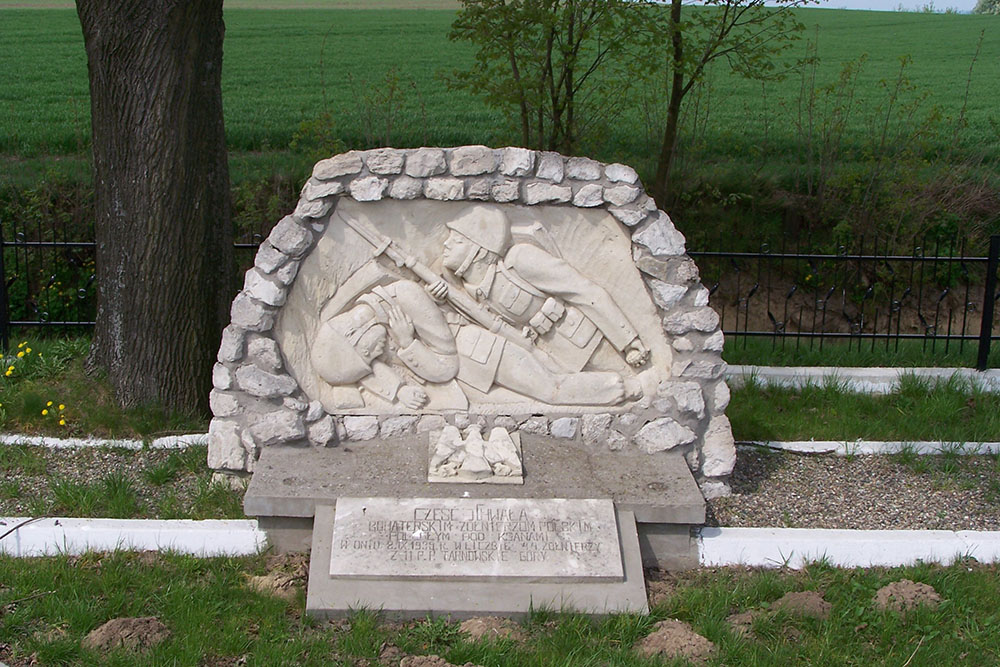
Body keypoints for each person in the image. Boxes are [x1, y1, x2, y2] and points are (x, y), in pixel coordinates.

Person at [426, 205, 649, 406]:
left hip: (585, 343)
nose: (446, 243)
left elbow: (585, 291)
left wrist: (628, 341)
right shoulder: (470, 290)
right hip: (547, 358)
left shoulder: (519, 260)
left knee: (638, 386)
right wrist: (440, 301)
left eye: (457, 240)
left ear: (479, 248)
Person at [311, 279, 459, 409]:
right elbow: (366, 369)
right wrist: (399, 390)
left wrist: (407, 342)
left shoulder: (406, 295)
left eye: (368, 354)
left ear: (353, 333)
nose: (377, 354)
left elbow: (446, 369)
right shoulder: (373, 325)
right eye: (372, 360)